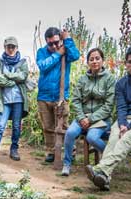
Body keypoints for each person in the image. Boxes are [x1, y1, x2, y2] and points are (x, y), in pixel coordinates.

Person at [87, 45, 131, 190]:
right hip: (125, 120)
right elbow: (121, 107)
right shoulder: (121, 83)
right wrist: (122, 124)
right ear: (125, 63)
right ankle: (105, 178)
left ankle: (101, 169)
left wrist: (129, 127)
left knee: (125, 139)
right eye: (130, 62)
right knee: (113, 139)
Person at [61, 48, 116, 176]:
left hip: (101, 119)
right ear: (88, 62)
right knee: (70, 133)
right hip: (82, 117)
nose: (94, 61)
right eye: (91, 59)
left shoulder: (109, 79)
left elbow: (109, 105)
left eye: (97, 58)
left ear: (103, 61)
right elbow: (75, 100)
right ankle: (67, 163)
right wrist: (81, 118)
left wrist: (90, 119)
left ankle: (110, 158)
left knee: (92, 137)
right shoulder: (82, 79)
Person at [36, 27, 81, 164]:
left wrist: (67, 39)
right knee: (48, 127)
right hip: (44, 96)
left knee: (64, 126)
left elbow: (76, 56)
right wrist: (57, 54)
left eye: (57, 42)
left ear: (60, 39)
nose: (54, 46)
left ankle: (70, 151)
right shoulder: (42, 52)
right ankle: (51, 152)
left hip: (61, 97)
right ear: (46, 42)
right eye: (51, 44)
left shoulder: (66, 50)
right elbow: (43, 66)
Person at [0, 36, 29, 163]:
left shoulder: (23, 62)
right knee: (0, 125)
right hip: (4, 100)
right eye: (8, 46)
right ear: (5, 47)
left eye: (13, 47)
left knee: (16, 126)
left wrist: (8, 75)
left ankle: (14, 149)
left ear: (17, 48)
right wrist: (12, 82)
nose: (11, 49)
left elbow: (23, 76)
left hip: (18, 100)